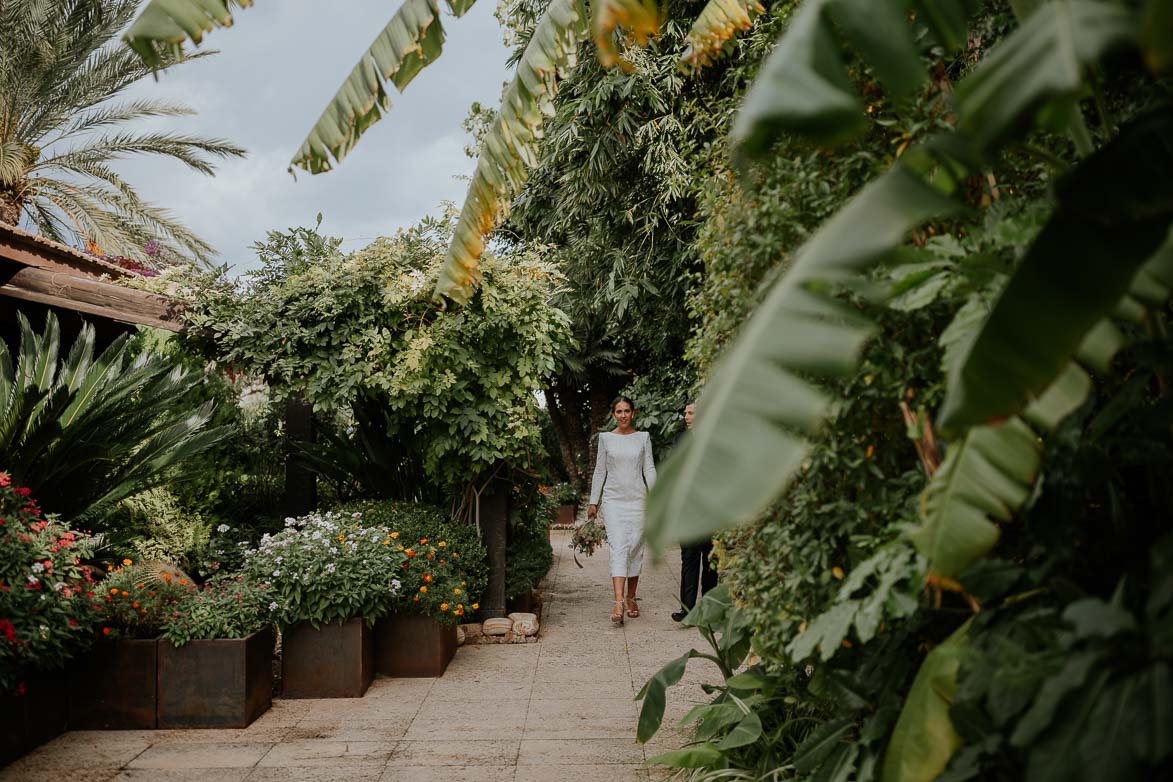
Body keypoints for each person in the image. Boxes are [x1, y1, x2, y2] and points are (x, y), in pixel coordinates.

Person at [588, 395, 656, 625]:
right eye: (619, 411)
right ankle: (618, 602)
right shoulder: (605, 439)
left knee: (635, 547)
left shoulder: (643, 438)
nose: (623, 415)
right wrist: (593, 501)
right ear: (613, 414)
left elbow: (649, 469)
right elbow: (599, 471)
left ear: (633, 413)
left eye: (627, 411)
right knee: (619, 547)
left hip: (639, 501)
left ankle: (631, 597)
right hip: (613, 501)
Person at [672, 401, 717, 622]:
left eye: (690, 413)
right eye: (685, 413)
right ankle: (687, 610)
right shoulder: (681, 439)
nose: (686, 416)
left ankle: (708, 609)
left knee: (710, 560)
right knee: (688, 557)